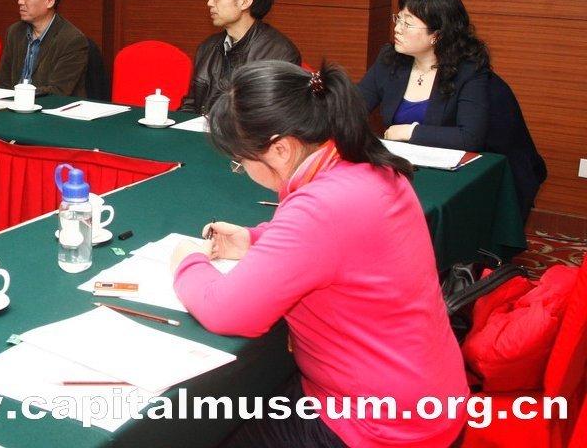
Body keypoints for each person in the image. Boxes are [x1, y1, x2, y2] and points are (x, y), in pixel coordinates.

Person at [172, 61, 467, 447]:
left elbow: (226, 311)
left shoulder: (320, 205)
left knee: (203, 430)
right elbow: (339, 248)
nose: (242, 169)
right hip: (430, 399)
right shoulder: (370, 167)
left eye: (241, 161)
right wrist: (254, 240)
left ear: (280, 149)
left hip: (378, 426)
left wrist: (187, 262)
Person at [358, 0, 489, 150]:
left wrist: (411, 132)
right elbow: (353, 107)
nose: (397, 29)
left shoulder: (469, 71)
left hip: (444, 163)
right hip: (399, 159)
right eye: (399, 19)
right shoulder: (390, 58)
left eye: (407, 24)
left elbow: (470, 138)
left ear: (437, 35)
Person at [180, 0, 301, 114]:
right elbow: (190, 106)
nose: (209, 3)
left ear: (244, 1)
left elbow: (273, 118)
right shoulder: (208, 47)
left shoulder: (280, 54)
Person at [0, 0, 88, 96]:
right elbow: (2, 84)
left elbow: (58, 92)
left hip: (51, 106)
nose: (20, 1)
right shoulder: (15, 32)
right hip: (13, 104)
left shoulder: (72, 40)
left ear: (49, 1)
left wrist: (21, 97)